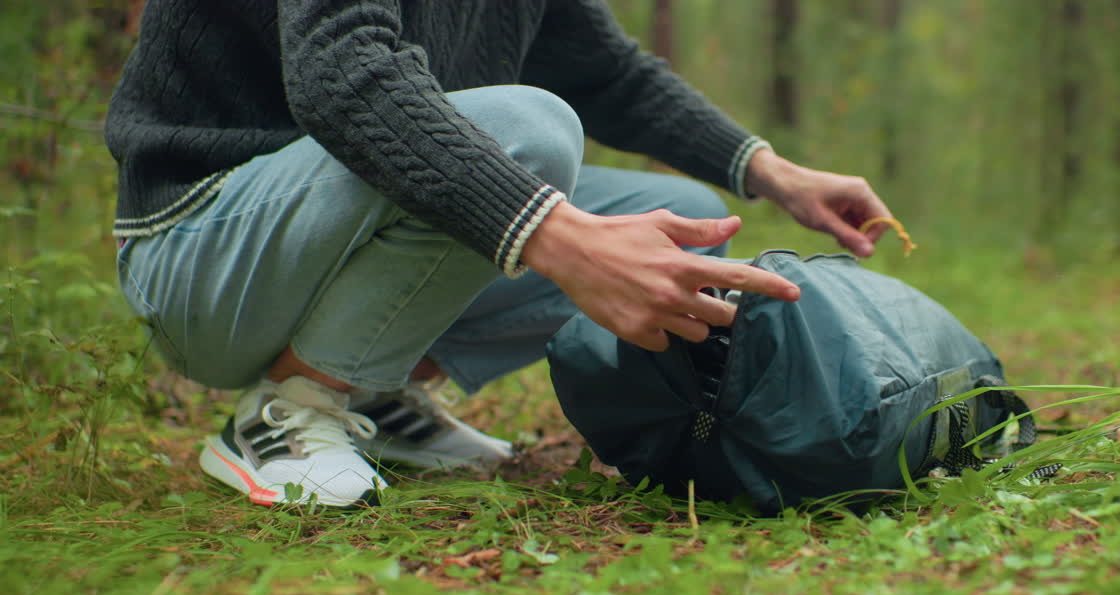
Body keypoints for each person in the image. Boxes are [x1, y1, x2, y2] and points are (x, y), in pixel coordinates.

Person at [106, 1, 892, 508]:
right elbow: (341, 70)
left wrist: (775, 175)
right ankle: (286, 414)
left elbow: (611, 77)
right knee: (529, 135)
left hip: (325, 225)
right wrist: (559, 235)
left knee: (684, 218)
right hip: (200, 244)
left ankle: (367, 391)